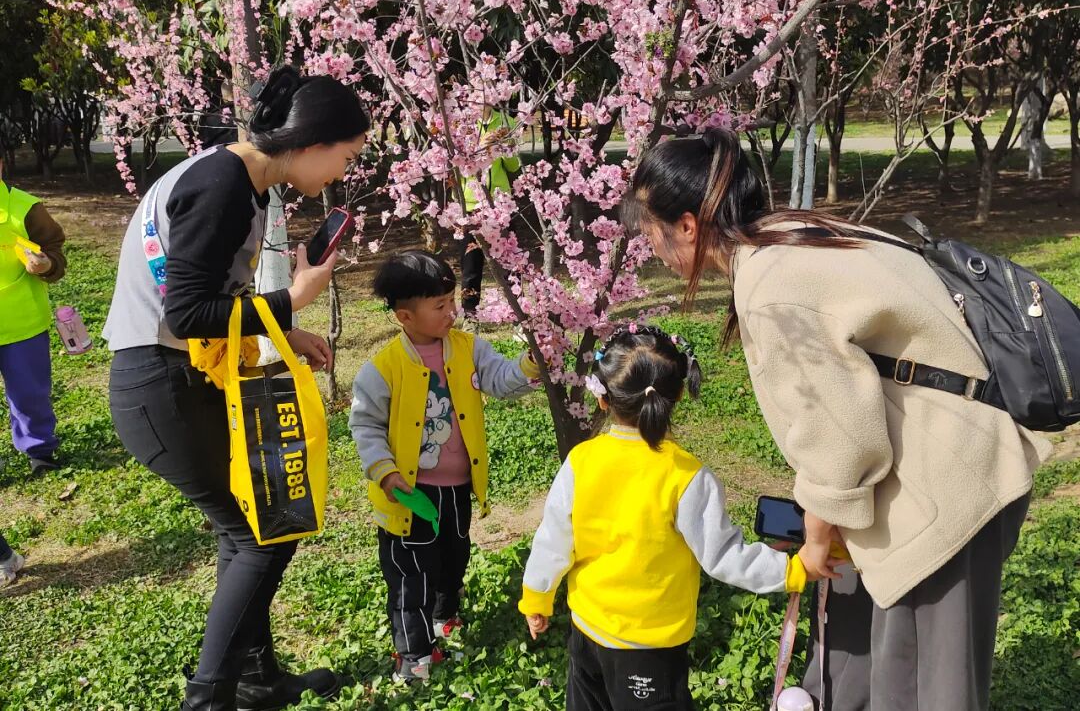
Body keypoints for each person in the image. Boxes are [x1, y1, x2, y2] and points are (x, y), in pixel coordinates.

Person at [625, 127, 1049, 711]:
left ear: (689, 225)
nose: (650, 247)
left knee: (922, 690)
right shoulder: (794, 235)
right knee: (888, 669)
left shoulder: (771, 285)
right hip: (957, 458)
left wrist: (817, 536)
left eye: (650, 231)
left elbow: (841, 438)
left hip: (945, 489)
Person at [103, 66, 370, 711]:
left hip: (176, 376)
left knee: (251, 530)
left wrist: (283, 327)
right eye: (345, 157)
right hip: (160, 383)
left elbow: (204, 294)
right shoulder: (222, 184)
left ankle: (256, 680)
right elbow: (187, 314)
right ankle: (208, 700)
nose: (342, 174)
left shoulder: (239, 182)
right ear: (312, 143)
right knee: (262, 534)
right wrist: (291, 298)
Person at [519, 325, 810, 711]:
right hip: (650, 647)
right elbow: (724, 555)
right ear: (677, 396)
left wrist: (536, 597)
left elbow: (553, 539)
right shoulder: (686, 476)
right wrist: (792, 570)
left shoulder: (581, 461)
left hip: (587, 630)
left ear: (602, 399)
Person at [349, 249, 540, 682]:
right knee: (411, 575)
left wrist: (531, 363)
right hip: (410, 497)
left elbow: (500, 380)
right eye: (439, 306)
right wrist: (384, 470)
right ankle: (414, 657)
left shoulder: (468, 349)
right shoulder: (384, 368)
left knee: (453, 559)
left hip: (457, 488)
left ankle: (443, 617)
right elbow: (365, 424)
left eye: (452, 301)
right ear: (405, 316)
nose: (452, 312)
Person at [0, 158, 67, 476]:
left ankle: (39, 449)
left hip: (22, 324)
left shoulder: (25, 208)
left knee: (29, 394)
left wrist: (47, 264)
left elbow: (54, 248)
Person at [460, 107, 519, 324]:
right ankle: (470, 317)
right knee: (471, 265)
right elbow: (456, 166)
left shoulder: (506, 121)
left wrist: (505, 146)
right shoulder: (460, 123)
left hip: (500, 204)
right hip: (471, 205)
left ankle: (518, 315)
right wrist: (480, 148)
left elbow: (513, 165)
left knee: (510, 262)